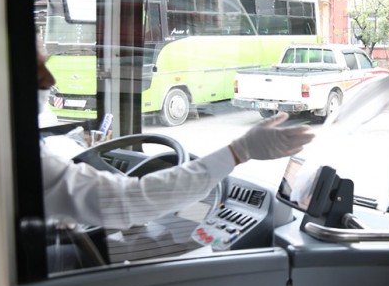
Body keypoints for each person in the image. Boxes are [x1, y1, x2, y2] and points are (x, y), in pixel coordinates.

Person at [36, 49, 314, 230]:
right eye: (34, 66)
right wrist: (238, 152)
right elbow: (129, 201)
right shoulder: (28, 160)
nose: (50, 80)